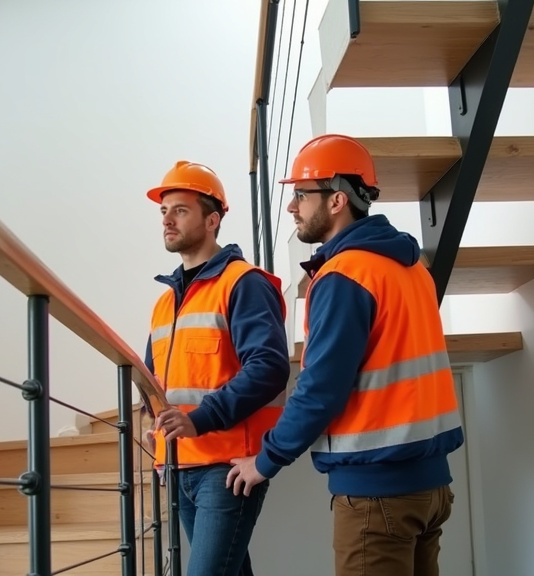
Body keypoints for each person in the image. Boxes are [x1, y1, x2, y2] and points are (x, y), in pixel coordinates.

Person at [225, 135, 465, 576]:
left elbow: (321, 388)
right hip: (432, 487)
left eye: (301, 194)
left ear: (336, 200)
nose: (292, 207)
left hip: (378, 496)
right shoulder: (411, 267)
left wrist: (266, 459)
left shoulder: (345, 275)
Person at [142, 160, 291, 576]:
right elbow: (153, 383)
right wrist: (155, 444)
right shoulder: (165, 301)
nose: (167, 220)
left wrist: (201, 419)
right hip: (177, 465)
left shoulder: (243, 283)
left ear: (212, 220)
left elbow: (268, 367)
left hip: (226, 469)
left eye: (181, 210)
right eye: (163, 211)